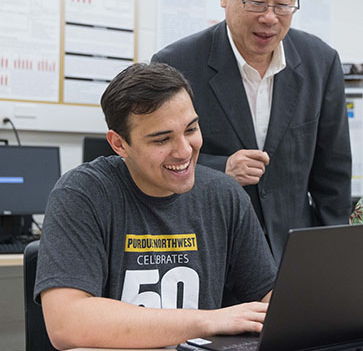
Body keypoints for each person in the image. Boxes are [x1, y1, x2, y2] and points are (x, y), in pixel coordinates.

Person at [34, 63, 276, 350]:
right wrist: (205, 320)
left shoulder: (224, 195)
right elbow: (67, 323)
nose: (185, 150)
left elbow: (270, 298)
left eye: (191, 129)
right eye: (162, 139)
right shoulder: (82, 194)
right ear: (119, 144)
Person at [152, 0, 353, 262]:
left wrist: (334, 254)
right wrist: (221, 170)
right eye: (257, 1)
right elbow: (156, 159)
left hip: (295, 252)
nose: (270, 17)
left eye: (284, 4)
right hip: (211, 249)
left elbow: (333, 172)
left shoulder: (321, 61)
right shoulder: (177, 64)